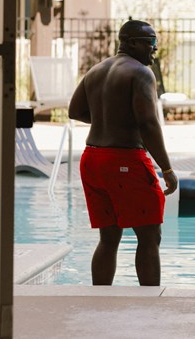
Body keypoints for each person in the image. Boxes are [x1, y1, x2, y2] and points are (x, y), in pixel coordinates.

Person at [68, 19, 179, 286]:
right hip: (124, 160)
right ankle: (151, 301)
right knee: (150, 235)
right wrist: (167, 169)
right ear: (130, 42)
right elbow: (148, 123)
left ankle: (100, 299)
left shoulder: (96, 70)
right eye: (150, 43)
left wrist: (108, 120)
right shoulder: (141, 72)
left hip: (92, 159)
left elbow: (75, 111)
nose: (154, 50)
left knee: (109, 237)